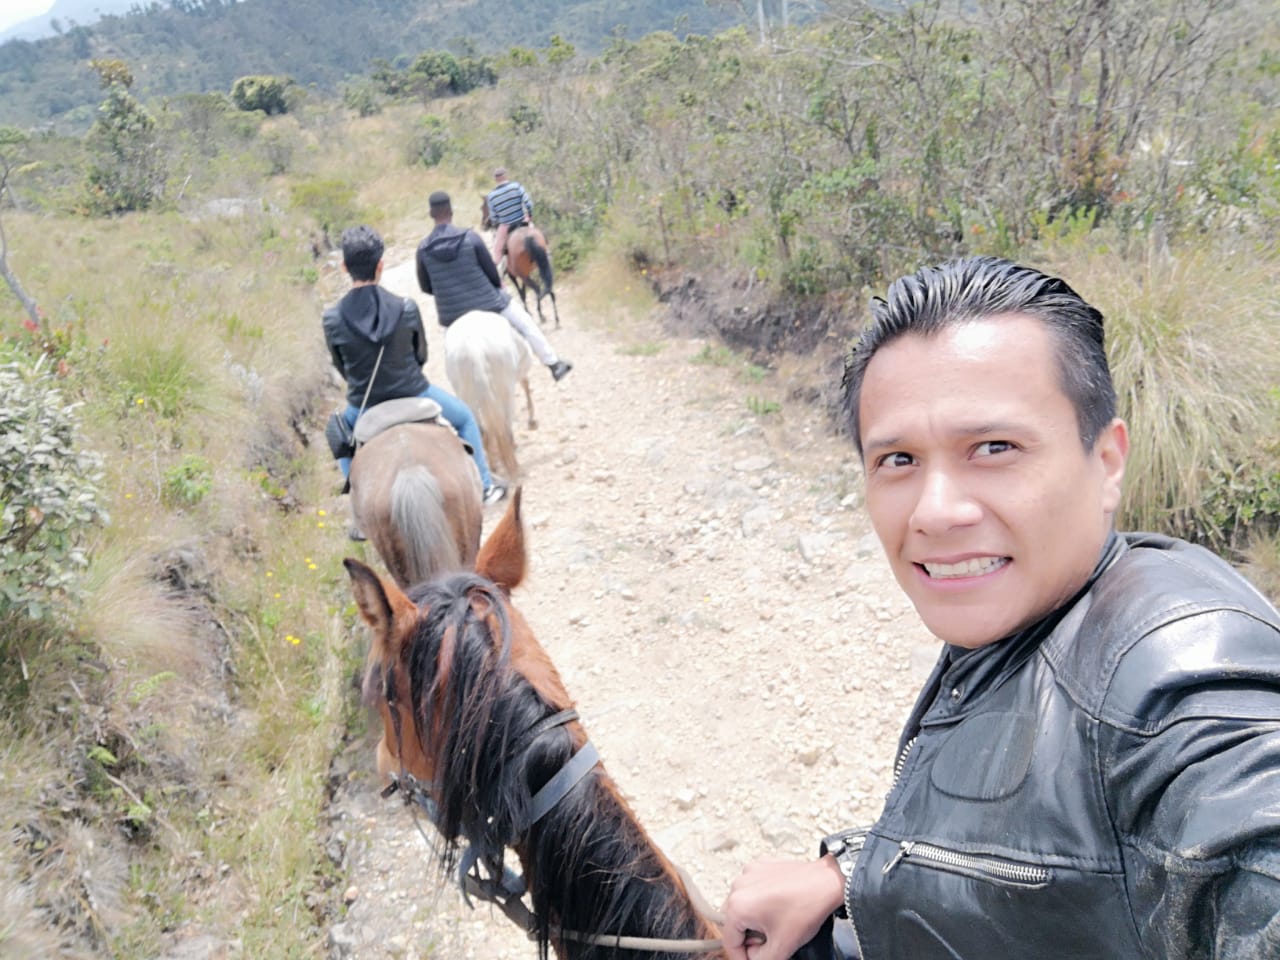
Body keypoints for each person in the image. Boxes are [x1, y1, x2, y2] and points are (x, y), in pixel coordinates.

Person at [720, 256, 1280, 960]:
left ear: (1106, 462)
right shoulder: (1031, 612)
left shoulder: (1172, 671)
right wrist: (853, 873)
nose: (935, 512)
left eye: (993, 447)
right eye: (897, 460)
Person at [323, 225, 507, 522]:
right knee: (464, 418)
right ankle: (485, 485)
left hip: (364, 404)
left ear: (345, 267)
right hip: (414, 391)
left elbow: (341, 366)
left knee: (338, 439)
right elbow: (421, 355)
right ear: (381, 265)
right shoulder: (406, 306)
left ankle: (358, 511)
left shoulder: (332, 318)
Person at [416, 190, 572, 382]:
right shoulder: (470, 237)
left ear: (431, 214)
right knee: (525, 323)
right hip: (489, 302)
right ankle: (553, 364)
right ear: (451, 211)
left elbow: (425, 287)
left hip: (452, 314)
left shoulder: (423, 249)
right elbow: (491, 271)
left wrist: (446, 291)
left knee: (450, 356)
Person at [485, 167, 534, 269]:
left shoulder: (491, 196)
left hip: (506, 225)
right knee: (536, 235)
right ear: (506, 176)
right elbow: (528, 203)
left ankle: (497, 271)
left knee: (497, 250)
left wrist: (498, 222)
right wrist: (529, 215)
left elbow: (494, 217)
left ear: (495, 179)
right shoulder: (516, 186)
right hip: (522, 221)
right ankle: (547, 254)